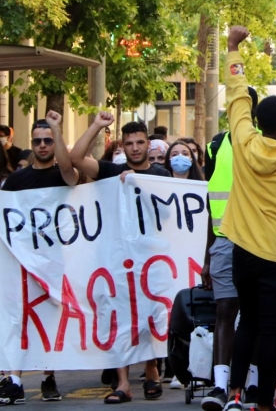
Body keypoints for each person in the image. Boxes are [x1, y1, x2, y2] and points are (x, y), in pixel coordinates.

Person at [217, 26, 276, 411]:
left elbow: (237, 94)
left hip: (243, 254)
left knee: (247, 323)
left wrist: (233, 48)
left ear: (257, 120)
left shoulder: (243, 142)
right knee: (273, 331)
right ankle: (266, 402)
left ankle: (235, 394)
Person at [70, 113, 171, 404]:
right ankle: (123, 383)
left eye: (140, 142)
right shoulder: (110, 172)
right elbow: (77, 158)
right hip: (116, 260)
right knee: (119, 318)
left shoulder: (161, 175)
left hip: (151, 259)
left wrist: (141, 185)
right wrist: (97, 126)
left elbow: (168, 214)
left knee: (151, 316)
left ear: (148, 144)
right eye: (129, 143)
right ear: (123, 146)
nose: (135, 148)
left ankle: (152, 369)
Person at [0, 112, 80, 406]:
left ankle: (48, 375)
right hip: (21, 261)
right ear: (31, 144)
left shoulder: (63, 175)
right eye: (38, 141)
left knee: (51, 317)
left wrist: (58, 130)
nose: (43, 145)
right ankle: (14, 379)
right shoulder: (16, 181)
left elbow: (72, 173)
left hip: (57, 259)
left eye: (48, 140)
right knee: (17, 316)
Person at [200, 86, 263, 411]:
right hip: (223, 240)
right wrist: (206, 257)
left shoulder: (265, 144)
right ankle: (220, 385)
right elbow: (211, 202)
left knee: (252, 314)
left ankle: (251, 383)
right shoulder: (215, 145)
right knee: (225, 312)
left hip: (257, 240)